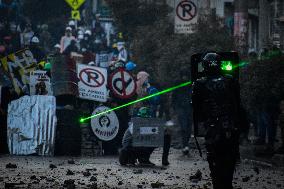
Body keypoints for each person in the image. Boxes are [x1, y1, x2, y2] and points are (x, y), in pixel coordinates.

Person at [192, 52, 241, 189]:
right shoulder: (231, 80)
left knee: (215, 160)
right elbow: (238, 104)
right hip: (230, 127)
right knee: (229, 160)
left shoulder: (199, 84)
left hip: (214, 128)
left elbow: (196, 108)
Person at [172, 70, 192, 155]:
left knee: (188, 127)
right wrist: (175, 107)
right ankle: (185, 145)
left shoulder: (190, 84)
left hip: (189, 107)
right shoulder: (178, 83)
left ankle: (185, 144)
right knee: (184, 127)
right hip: (181, 108)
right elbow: (174, 95)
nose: (184, 77)